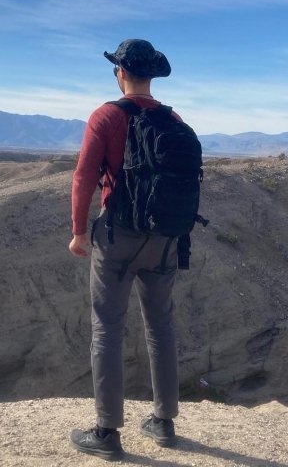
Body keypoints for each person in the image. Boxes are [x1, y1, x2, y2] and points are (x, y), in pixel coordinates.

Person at [69, 39, 182, 461]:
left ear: (119, 73)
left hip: (117, 236)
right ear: (151, 75)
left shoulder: (107, 116)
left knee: (107, 329)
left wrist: (79, 232)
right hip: (165, 239)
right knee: (161, 326)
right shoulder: (173, 119)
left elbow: (83, 177)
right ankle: (164, 422)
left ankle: (106, 431)